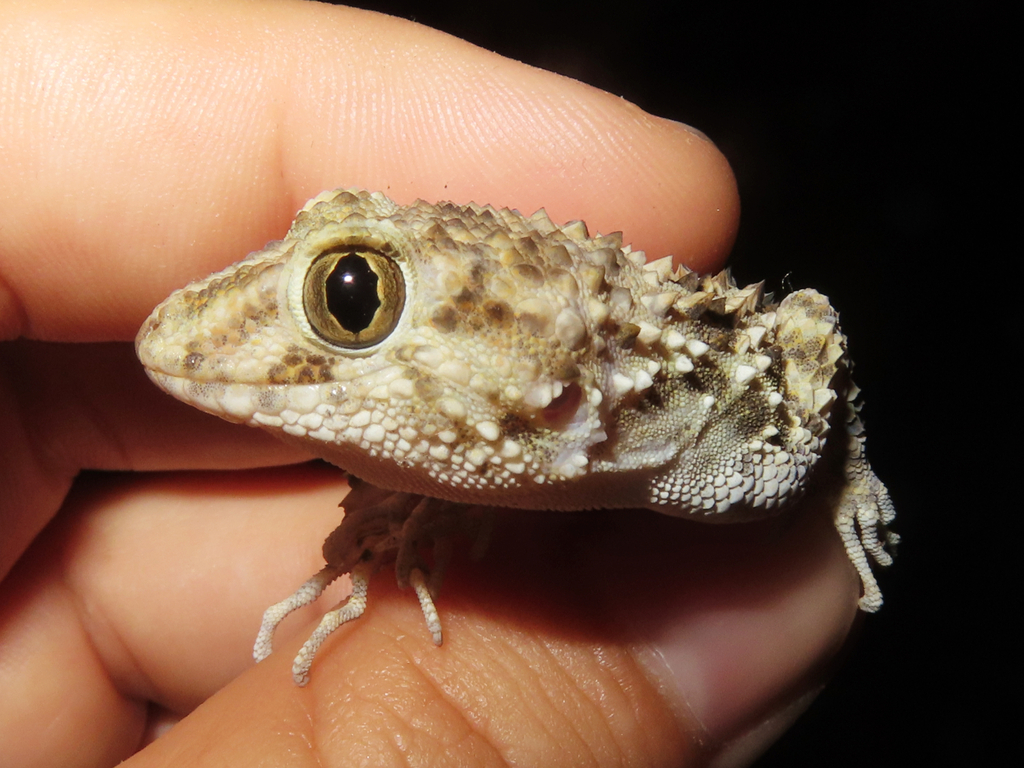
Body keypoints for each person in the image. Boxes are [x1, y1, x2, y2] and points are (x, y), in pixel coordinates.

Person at [0, 2, 864, 766]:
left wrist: (849, 468)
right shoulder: (522, 419)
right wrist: (422, 503)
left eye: (353, 299)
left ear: (545, 355)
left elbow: (812, 323)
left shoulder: (749, 428)